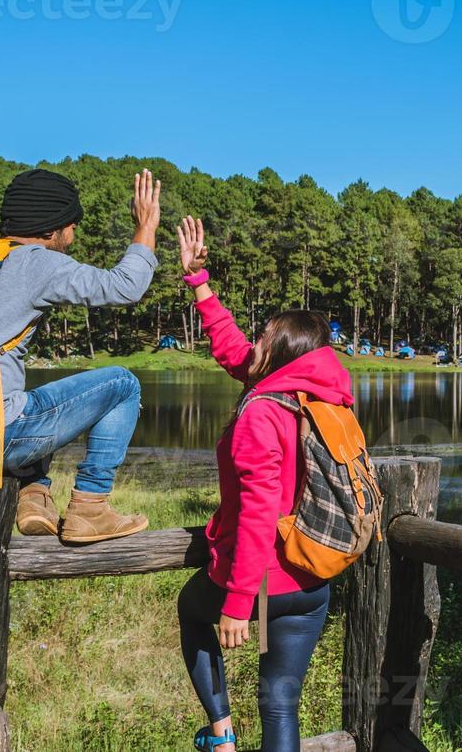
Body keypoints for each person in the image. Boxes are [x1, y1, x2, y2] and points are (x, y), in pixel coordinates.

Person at [0, 168, 161, 545]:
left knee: (27, 401)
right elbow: (124, 287)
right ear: (51, 229)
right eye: (71, 226)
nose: (73, 236)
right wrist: (145, 228)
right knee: (122, 384)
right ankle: (91, 506)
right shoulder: (35, 262)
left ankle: (34, 495)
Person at [174, 216, 342, 752]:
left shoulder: (260, 414)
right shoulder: (319, 397)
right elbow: (231, 349)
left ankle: (221, 737)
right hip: (312, 580)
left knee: (190, 611)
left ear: (281, 351)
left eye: (265, 337)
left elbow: (258, 512)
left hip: (263, 580)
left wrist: (238, 600)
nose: (256, 343)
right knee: (280, 705)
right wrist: (199, 283)